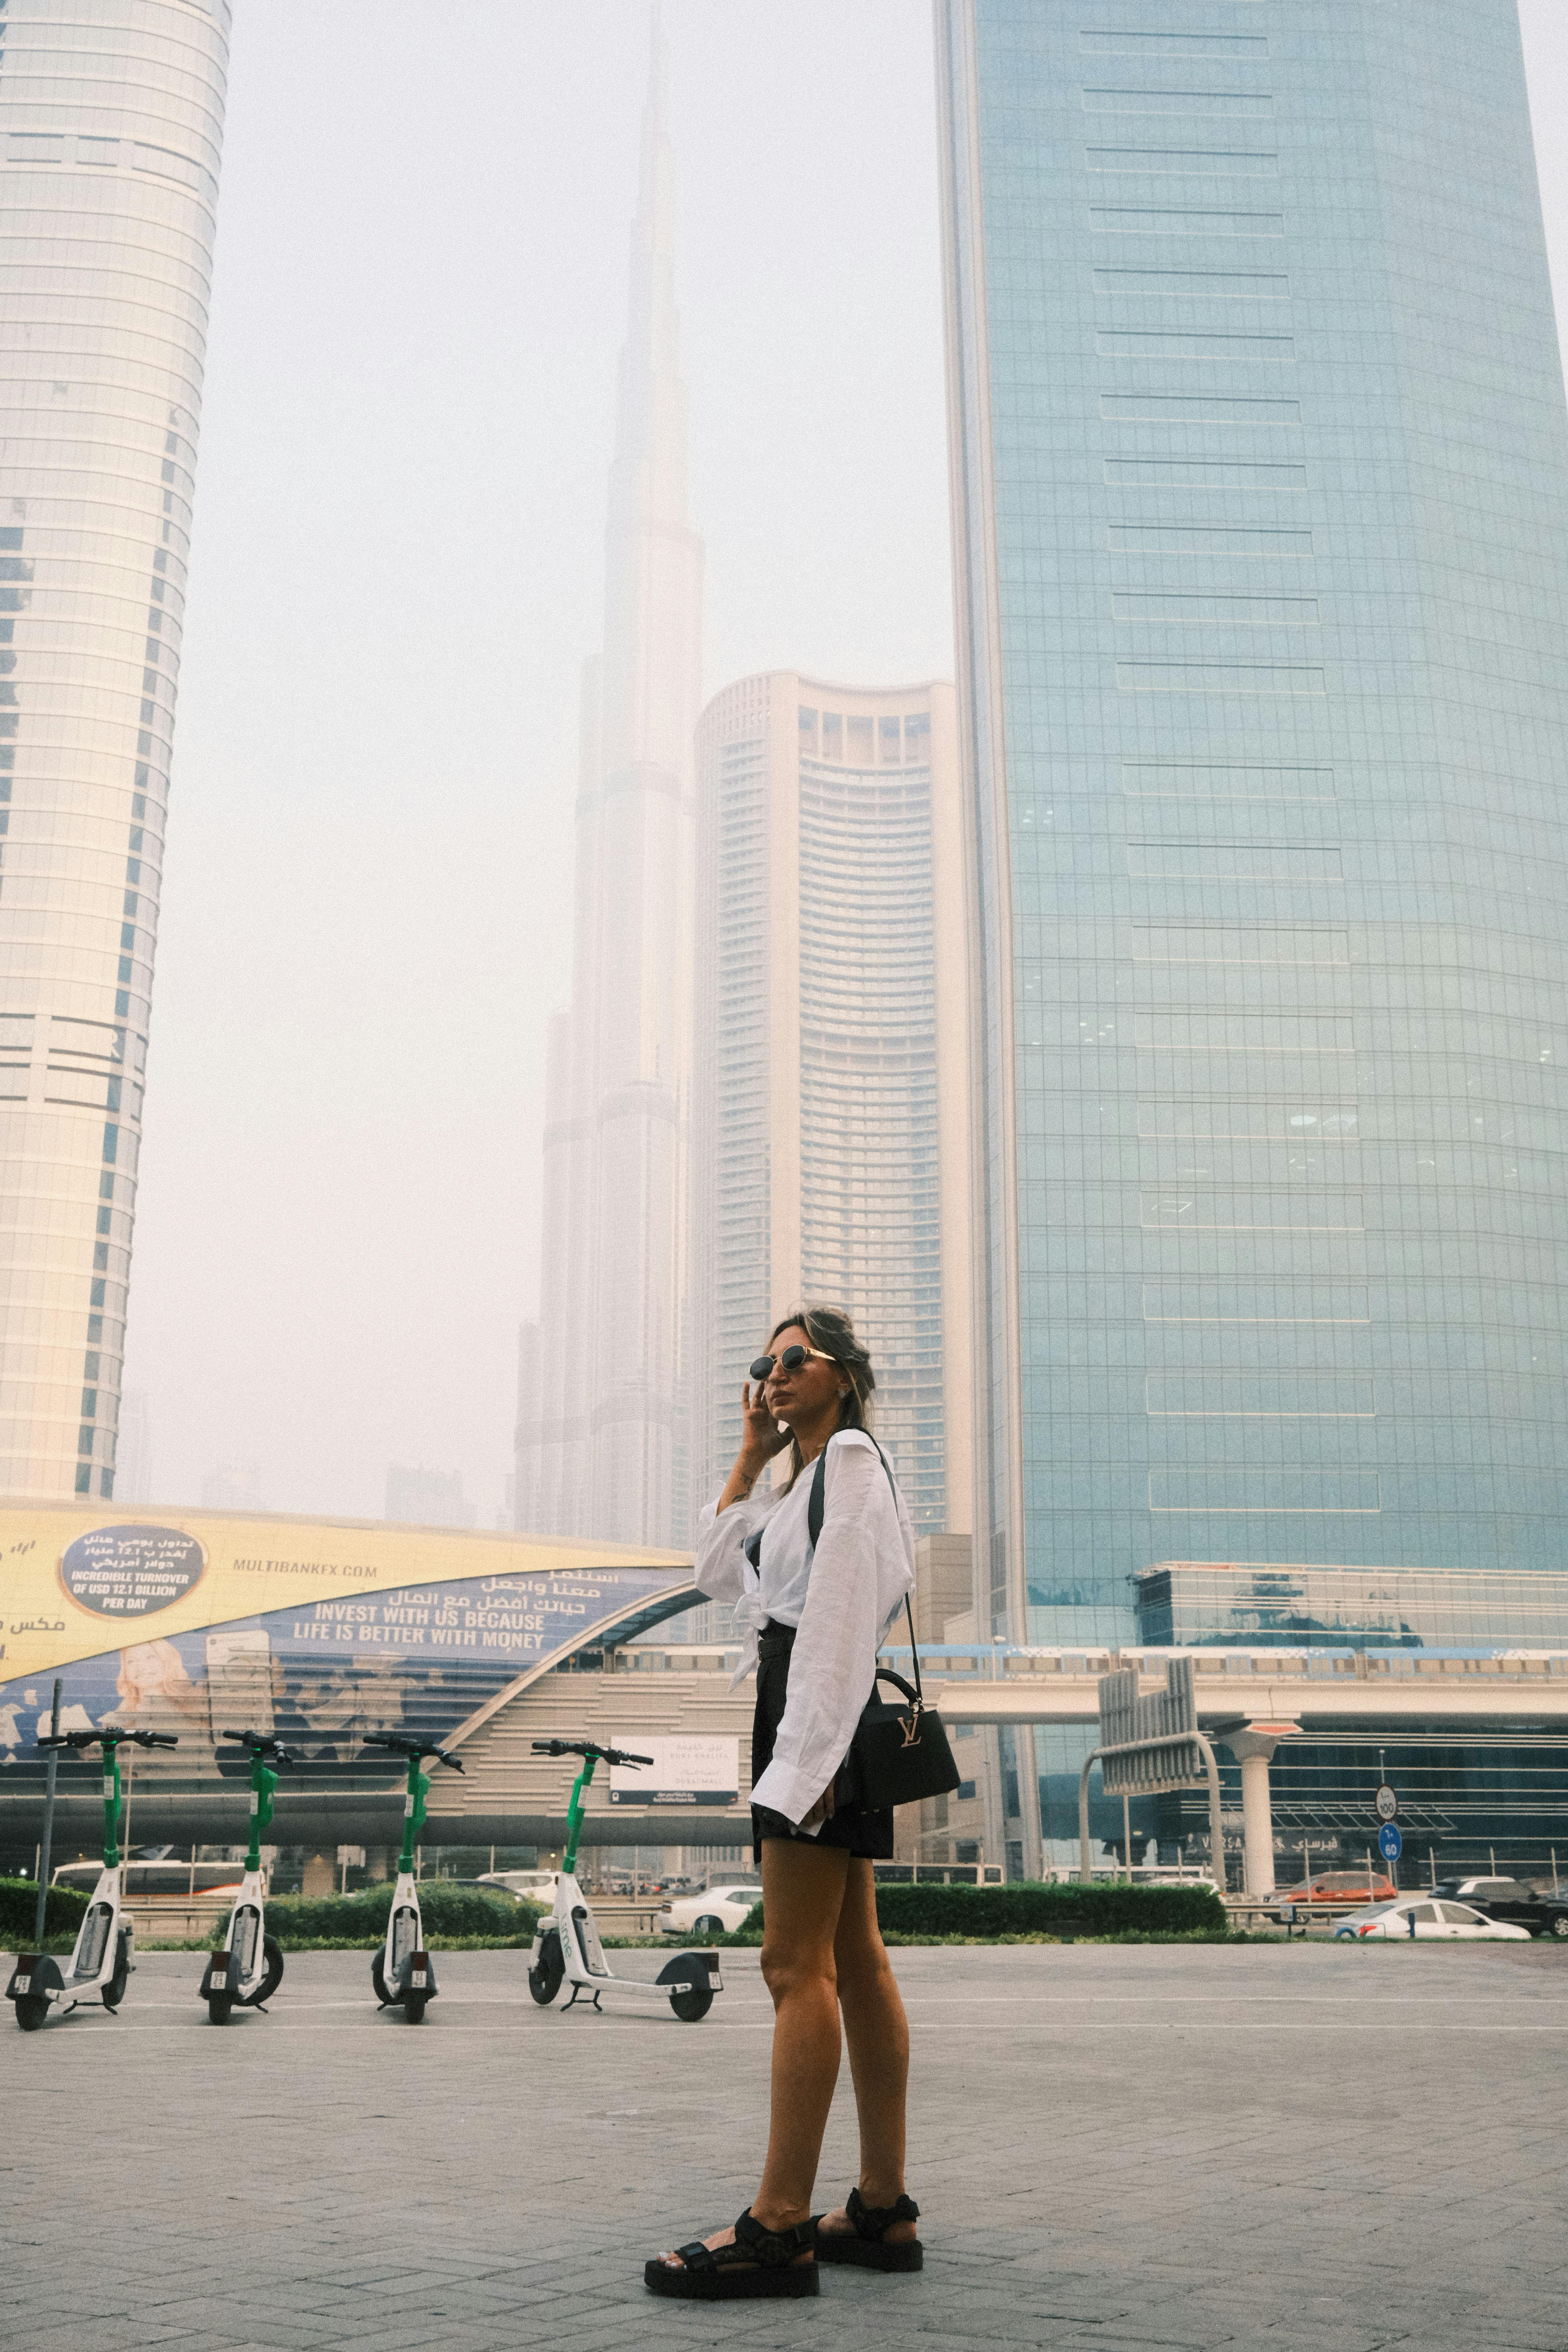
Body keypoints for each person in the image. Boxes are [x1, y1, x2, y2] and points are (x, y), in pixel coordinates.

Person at [645, 1306, 924, 2301]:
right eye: (765, 1362)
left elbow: (842, 1616)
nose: (775, 1372)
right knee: (857, 1959)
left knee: (791, 1965)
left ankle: (777, 2226)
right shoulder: (797, 1483)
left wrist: (807, 1761)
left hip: (816, 1712)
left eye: (796, 1358)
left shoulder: (848, 1460)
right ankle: (881, 2209)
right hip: (807, 1708)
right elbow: (717, 1571)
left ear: (843, 1374)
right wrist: (751, 1453)